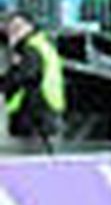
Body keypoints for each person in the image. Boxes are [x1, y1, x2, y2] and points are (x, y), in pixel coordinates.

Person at [1, 12, 65, 154]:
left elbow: (25, 75)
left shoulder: (31, 49)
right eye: (11, 29)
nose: (14, 32)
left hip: (34, 114)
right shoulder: (42, 44)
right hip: (45, 111)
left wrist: (4, 84)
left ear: (30, 27)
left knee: (30, 158)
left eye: (18, 27)